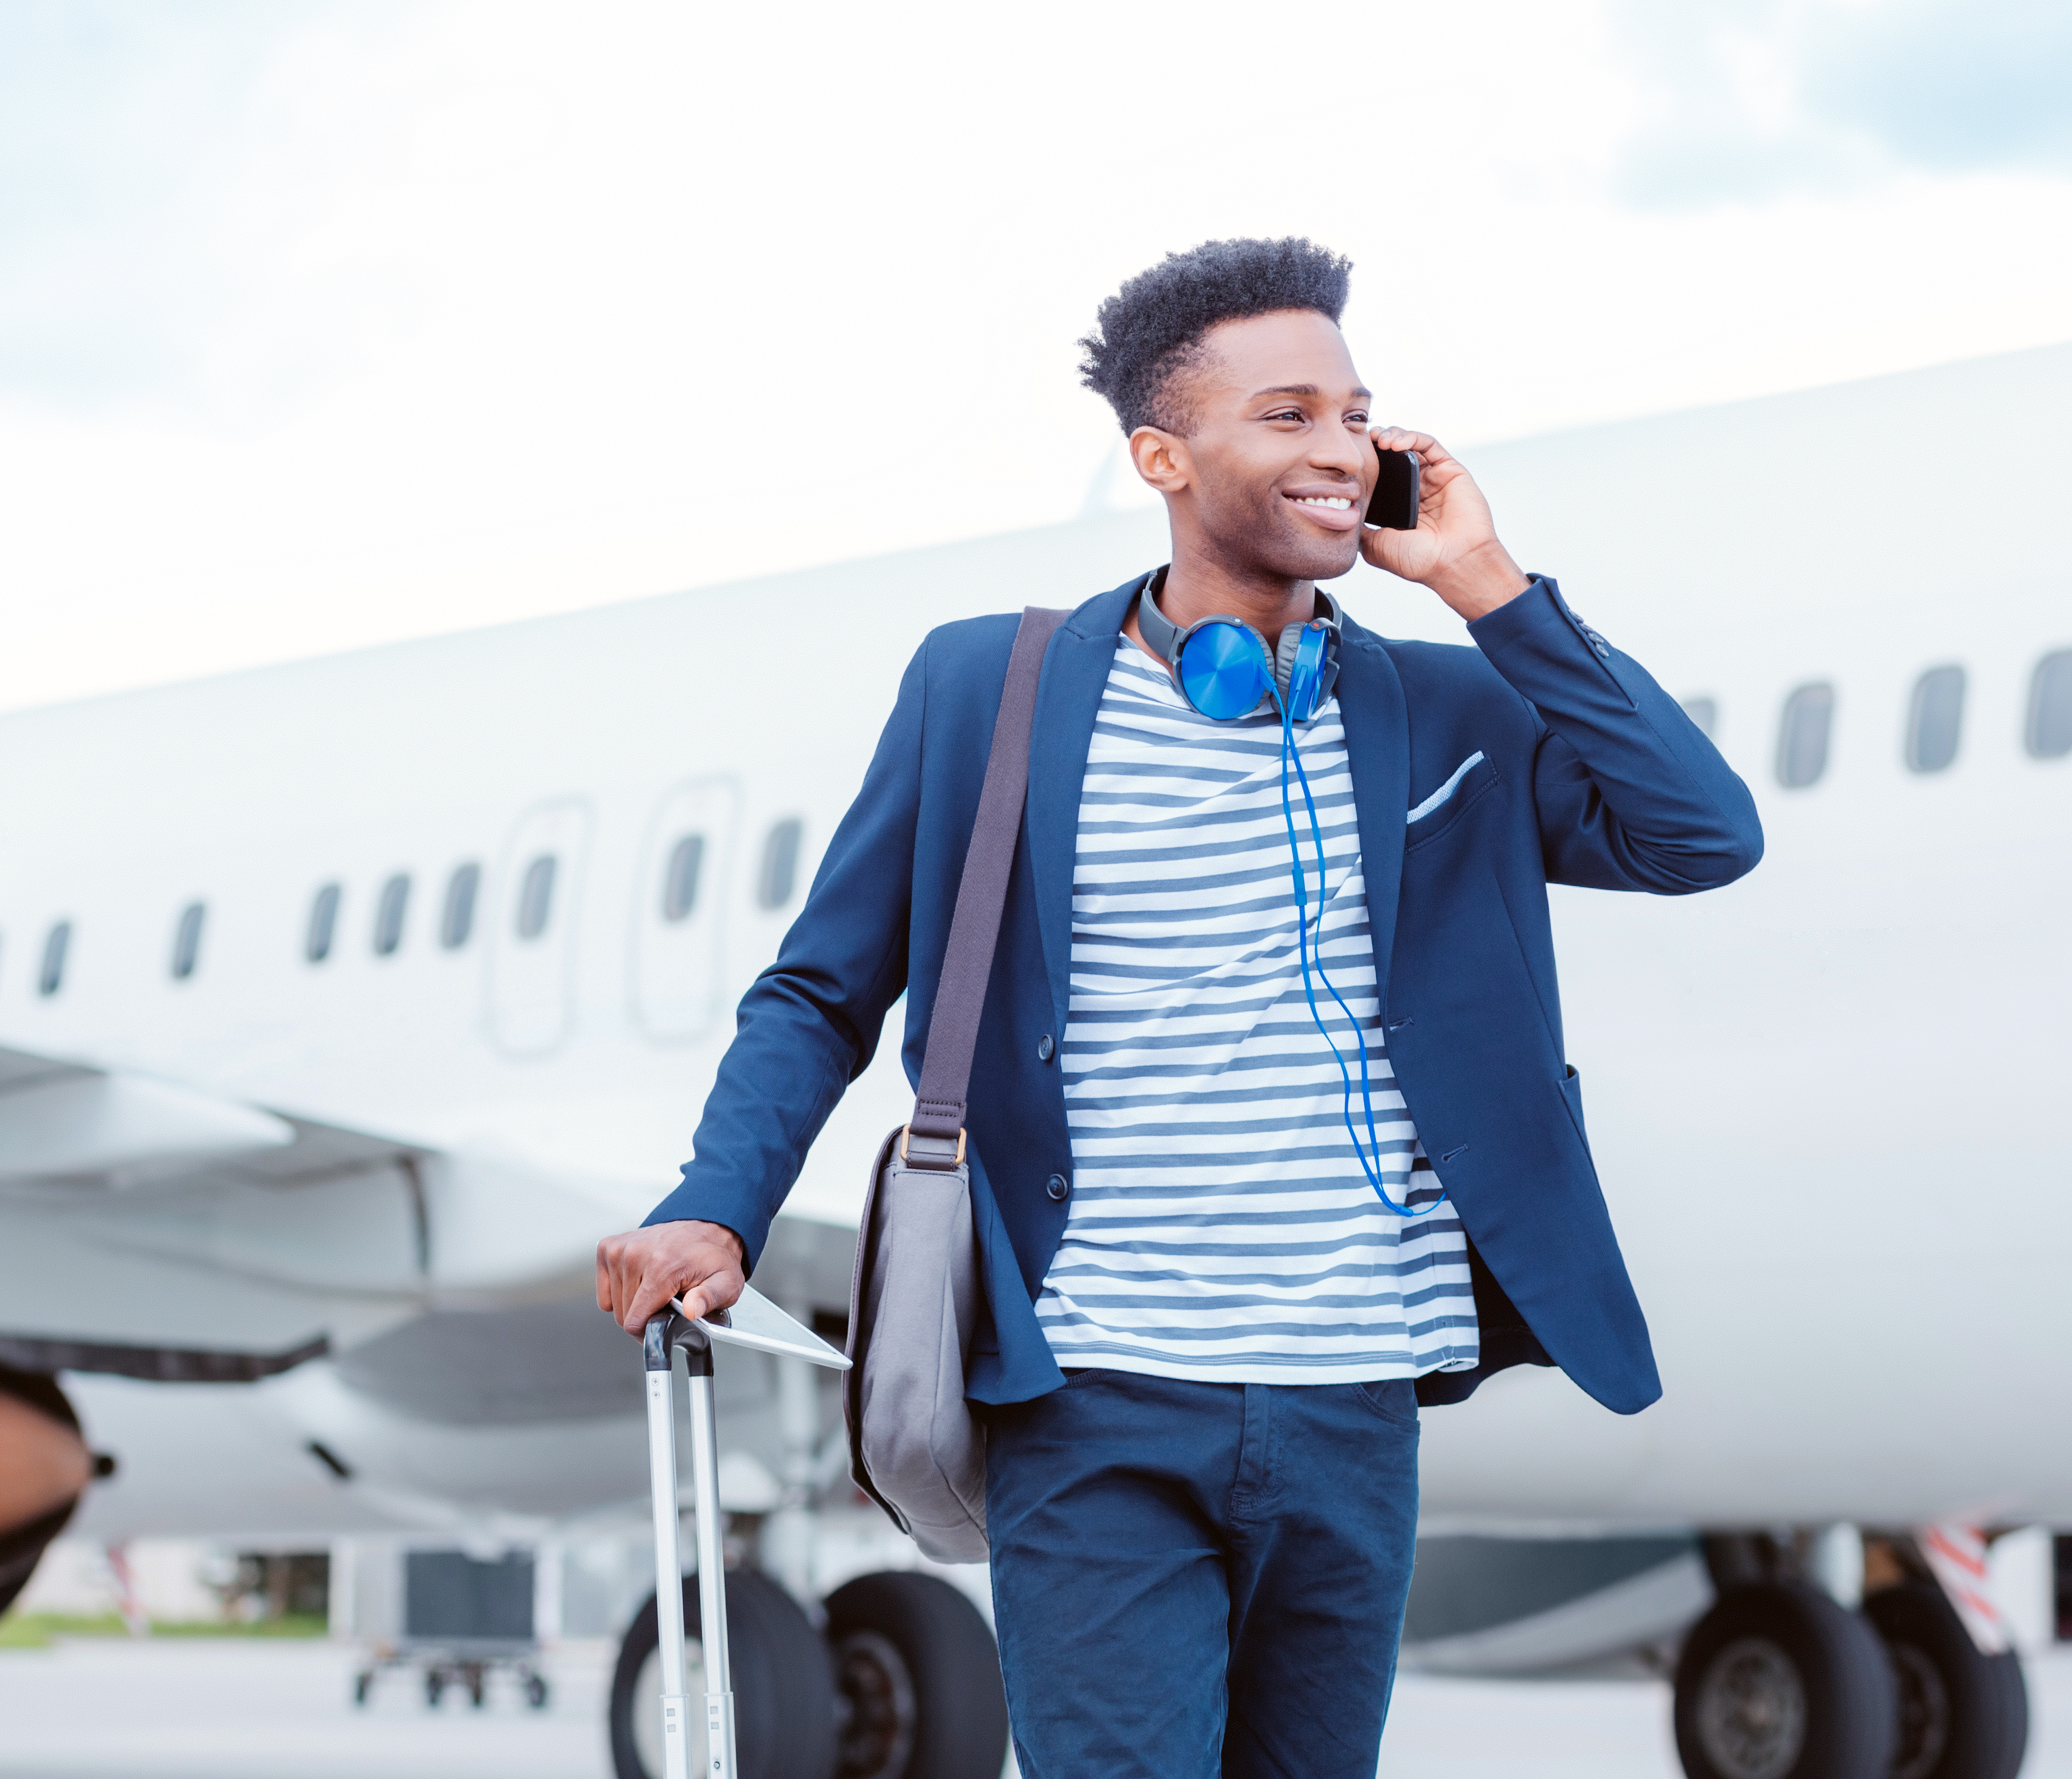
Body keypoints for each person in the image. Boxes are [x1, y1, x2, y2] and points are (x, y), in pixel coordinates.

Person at [596, 237, 1763, 1776]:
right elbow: (823, 987)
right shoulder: (989, 695)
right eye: (1286, 415)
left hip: (1355, 1394)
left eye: (1358, 415)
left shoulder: (1449, 713)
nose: (1340, 447)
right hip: (1096, 1395)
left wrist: (1489, 588)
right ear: (1161, 453)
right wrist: (714, 1208)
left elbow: (1702, 835)